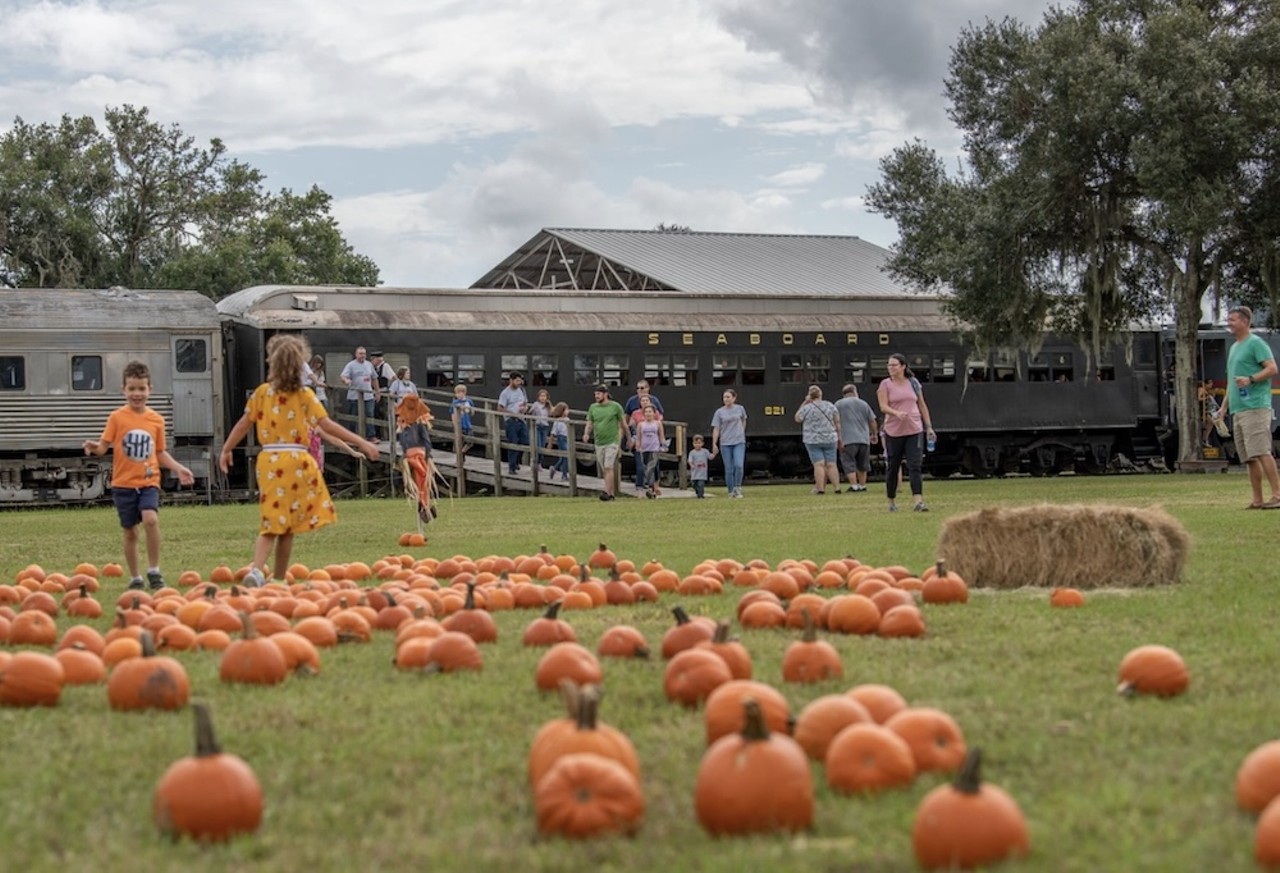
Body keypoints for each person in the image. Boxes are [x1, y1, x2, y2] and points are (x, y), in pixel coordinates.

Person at [219, 335, 379, 586]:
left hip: (269, 460)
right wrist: (362, 442)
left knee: (271, 518)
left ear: (272, 363)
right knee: (289, 524)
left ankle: (257, 570)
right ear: (299, 365)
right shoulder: (304, 395)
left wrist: (227, 449)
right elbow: (326, 424)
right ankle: (280, 579)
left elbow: (243, 423)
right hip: (296, 460)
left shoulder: (261, 393)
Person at [83, 360, 195, 591]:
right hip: (122, 484)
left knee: (151, 519)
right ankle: (135, 577)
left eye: (141, 388)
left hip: (148, 481)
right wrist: (94, 447)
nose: (137, 394)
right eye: (132, 389)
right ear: (123, 390)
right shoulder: (116, 418)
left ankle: (154, 570)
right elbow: (104, 447)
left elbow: (160, 452)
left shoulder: (156, 420)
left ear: (150, 389)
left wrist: (177, 468)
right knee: (130, 531)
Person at [1213, 305, 1280, 509]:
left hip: (1256, 407)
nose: (1229, 323)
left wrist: (1251, 379)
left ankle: (1277, 495)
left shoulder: (1255, 343)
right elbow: (1233, 383)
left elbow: (1272, 368)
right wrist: (1224, 408)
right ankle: (1257, 500)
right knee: (1249, 457)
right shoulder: (1234, 347)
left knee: (1261, 451)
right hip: (1238, 409)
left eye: (1232, 320)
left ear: (1244, 321)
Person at [877, 352, 935, 512]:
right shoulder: (885, 385)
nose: (890, 368)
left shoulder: (913, 383)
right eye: (889, 365)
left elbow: (922, 404)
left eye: (894, 365)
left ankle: (918, 502)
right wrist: (896, 413)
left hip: (914, 429)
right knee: (893, 467)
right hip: (893, 431)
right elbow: (883, 406)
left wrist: (928, 426)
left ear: (903, 366)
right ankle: (891, 502)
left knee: (915, 465)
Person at [583, 384, 630, 501]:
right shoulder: (593, 407)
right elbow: (590, 422)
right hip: (599, 442)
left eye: (598, 394)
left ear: (605, 394)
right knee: (605, 469)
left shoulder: (615, 407)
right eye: (595, 394)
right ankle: (611, 493)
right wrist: (586, 433)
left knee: (608, 466)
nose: (596, 396)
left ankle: (607, 492)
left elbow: (623, 424)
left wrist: (628, 438)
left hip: (612, 441)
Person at [396, 395, 437, 523]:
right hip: (408, 456)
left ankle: (424, 505)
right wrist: (403, 455)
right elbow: (402, 441)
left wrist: (428, 454)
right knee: (414, 482)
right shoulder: (402, 423)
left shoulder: (420, 423)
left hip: (419, 455)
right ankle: (423, 505)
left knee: (423, 479)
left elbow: (425, 439)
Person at [794, 384, 841, 494]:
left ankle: (820, 489)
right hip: (829, 438)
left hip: (812, 439)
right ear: (820, 394)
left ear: (809, 396)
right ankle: (837, 488)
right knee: (831, 464)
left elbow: (797, 418)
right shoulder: (830, 406)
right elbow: (837, 422)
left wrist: (805, 402)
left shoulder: (807, 408)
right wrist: (839, 436)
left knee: (818, 464)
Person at [835, 383, 879, 492]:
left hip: (847, 438)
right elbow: (872, 421)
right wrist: (874, 434)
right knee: (863, 464)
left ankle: (854, 486)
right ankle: (862, 485)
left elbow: (835, 421)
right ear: (855, 392)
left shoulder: (838, 404)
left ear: (844, 394)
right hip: (864, 439)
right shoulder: (864, 404)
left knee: (848, 462)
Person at [711, 388, 747, 498]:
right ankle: (730, 491)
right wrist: (714, 443)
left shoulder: (740, 409)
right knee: (729, 468)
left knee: (739, 465)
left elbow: (743, 420)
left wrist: (741, 432)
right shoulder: (719, 412)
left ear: (734, 398)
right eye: (724, 397)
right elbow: (716, 428)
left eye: (728, 397)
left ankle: (737, 487)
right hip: (725, 442)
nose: (726, 399)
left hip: (738, 441)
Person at [340, 346, 377, 439]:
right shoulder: (351, 365)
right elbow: (343, 376)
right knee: (353, 416)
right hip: (354, 396)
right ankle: (352, 436)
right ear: (356, 354)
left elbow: (374, 378)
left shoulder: (369, 365)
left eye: (364, 353)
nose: (362, 355)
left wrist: (377, 391)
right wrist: (346, 381)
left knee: (370, 415)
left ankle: (371, 436)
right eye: (360, 353)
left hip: (368, 395)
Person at [497, 371, 529, 475]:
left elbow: (525, 403)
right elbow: (500, 408)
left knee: (525, 442)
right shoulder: (505, 393)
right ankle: (512, 467)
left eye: (520, 380)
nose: (519, 382)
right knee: (513, 442)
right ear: (511, 380)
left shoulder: (522, 390)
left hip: (521, 419)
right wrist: (510, 413)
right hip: (511, 421)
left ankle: (516, 461)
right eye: (517, 380)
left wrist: (525, 408)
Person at [629, 394, 662, 494]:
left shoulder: (655, 414)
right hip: (640, 440)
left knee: (654, 466)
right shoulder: (636, 414)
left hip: (653, 443)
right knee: (642, 466)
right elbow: (631, 425)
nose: (644, 402)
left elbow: (659, 423)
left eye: (646, 400)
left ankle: (654, 486)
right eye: (642, 401)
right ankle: (641, 486)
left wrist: (663, 444)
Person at [634, 403, 666, 498]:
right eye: (646, 412)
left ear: (654, 413)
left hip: (654, 448)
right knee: (647, 469)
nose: (648, 413)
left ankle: (651, 488)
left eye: (650, 411)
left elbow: (661, 436)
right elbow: (639, 437)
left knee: (651, 468)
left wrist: (663, 445)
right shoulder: (641, 425)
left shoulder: (657, 423)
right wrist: (638, 446)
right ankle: (652, 489)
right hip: (645, 449)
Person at [369, 351, 396, 431]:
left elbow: (394, 378)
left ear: (377, 359)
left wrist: (391, 389)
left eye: (372, 359)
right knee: (374, 413)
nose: (371, 361)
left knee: (382, 413)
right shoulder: (372, 367)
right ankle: (377, 433)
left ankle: (383, 434)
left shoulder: (385, 366)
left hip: (383, 393)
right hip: (373, 393)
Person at [530, 388, 553, 473]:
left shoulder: (548, 405)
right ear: (538, 397)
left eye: (544, 396)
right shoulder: (536, 404)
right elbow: (530, 412)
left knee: (543, 445)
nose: (543, 398)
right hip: (538, 426)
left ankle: (539, 463)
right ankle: (535, 463)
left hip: (545, 426)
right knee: (538, 445)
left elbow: (552, 414)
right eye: (541, 396)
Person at [548, 402, 571, 481]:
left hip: (567, 438)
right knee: (565, 456)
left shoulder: (567, 419)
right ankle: (564, 475)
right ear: (562, 411)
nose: (568, 411)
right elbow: (553, 433)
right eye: (566, 410)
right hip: (561, 439)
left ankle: (554, 468)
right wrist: (550, 444)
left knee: (564, 457)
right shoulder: (557, 422)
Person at [450, 383, 476, 452]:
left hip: (467, 424)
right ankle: (459, 457)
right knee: (459, 442)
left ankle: (463, 452)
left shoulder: (469, 401)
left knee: (470, 441)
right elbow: (452, 414)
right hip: (459, 424)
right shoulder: (455, 403)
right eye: (457, 393)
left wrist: (470, 410)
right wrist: (455, 424)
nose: (459, 394)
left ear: (465, 393)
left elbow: (473, 412)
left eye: (461, 392)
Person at [687, 433, 711, 498]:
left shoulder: (705, 451)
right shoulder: (692, 452)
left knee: (701, 484)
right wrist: (691, 465)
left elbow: (710, 457)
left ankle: (701, 495)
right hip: (695, 472)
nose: (697, 445)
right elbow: (689, 460)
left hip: (702, 473)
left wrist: (714, 453)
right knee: (694, 484)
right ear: (693, 443)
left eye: (699, 443)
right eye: (696, 443)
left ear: (702, 443)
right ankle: (698, 491)